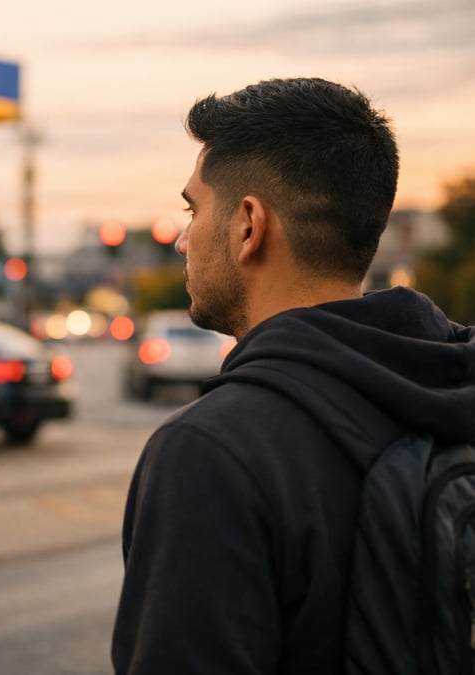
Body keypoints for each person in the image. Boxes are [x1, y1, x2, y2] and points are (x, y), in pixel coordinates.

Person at [112, 77, 475, 674]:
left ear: (249, 226)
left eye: (192, 208)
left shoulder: (211, 454)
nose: (181, 240)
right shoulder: (451, 393)